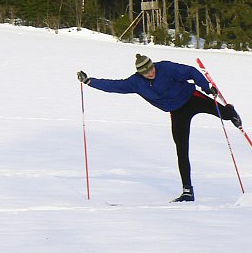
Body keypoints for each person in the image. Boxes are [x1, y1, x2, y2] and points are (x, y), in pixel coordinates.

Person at [76, 54, 242, 202]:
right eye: (146, 72)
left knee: (224, 114)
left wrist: (205, 86)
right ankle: (187, 192)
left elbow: (191, 71)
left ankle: (231, 112)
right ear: (141, 73)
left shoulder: (166, 68)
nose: (151, 72)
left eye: (151, 68)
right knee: (181, 150)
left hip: (192, 98)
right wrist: (89, 81)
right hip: (176, 111)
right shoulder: (136, 82)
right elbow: (114, 86)